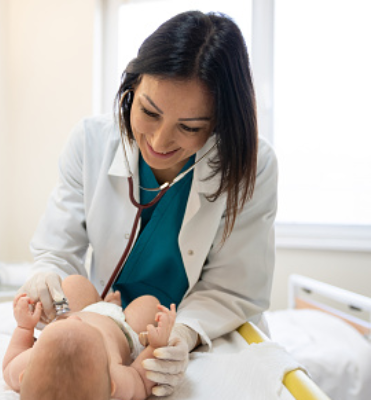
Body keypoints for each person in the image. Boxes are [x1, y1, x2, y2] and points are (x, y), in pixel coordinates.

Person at [19, 10, 277, 396]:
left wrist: (183, 336)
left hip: (198, 330)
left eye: (189, 127)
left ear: (220, 123)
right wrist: (46, 281)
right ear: (131, 88)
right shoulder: (90, 142)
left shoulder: (253, 166)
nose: (158, 141)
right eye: (149, 112)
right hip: (105, 324)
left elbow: (235, 288)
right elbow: (57, 252)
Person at [3, 275, 176, 400]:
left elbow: (10, 361)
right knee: (150, 303)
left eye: (62, 324)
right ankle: (112, 305)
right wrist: (155, 347)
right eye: (87, 328)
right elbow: (140, 379)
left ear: (22, 378)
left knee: (73, 283)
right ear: (111, 387)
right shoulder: (115, 377)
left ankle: (104, 302)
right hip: (122, 327)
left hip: (84, 308)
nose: (74, 319)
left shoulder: (28, 366)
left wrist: (24, 327)